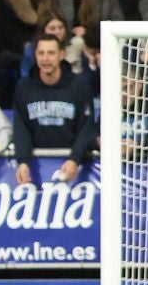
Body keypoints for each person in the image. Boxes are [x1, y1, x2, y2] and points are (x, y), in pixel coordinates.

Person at [13, 33, 96, 185]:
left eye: (51, 53)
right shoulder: (23, 86)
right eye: (41, 53)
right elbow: (21, 128)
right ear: (35, 55)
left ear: (61, 54)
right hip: (35, 169)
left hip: (74, 168)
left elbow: (86, 128)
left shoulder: (79, 85)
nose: (45, 58)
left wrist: (75, 159)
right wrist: (23, 161)